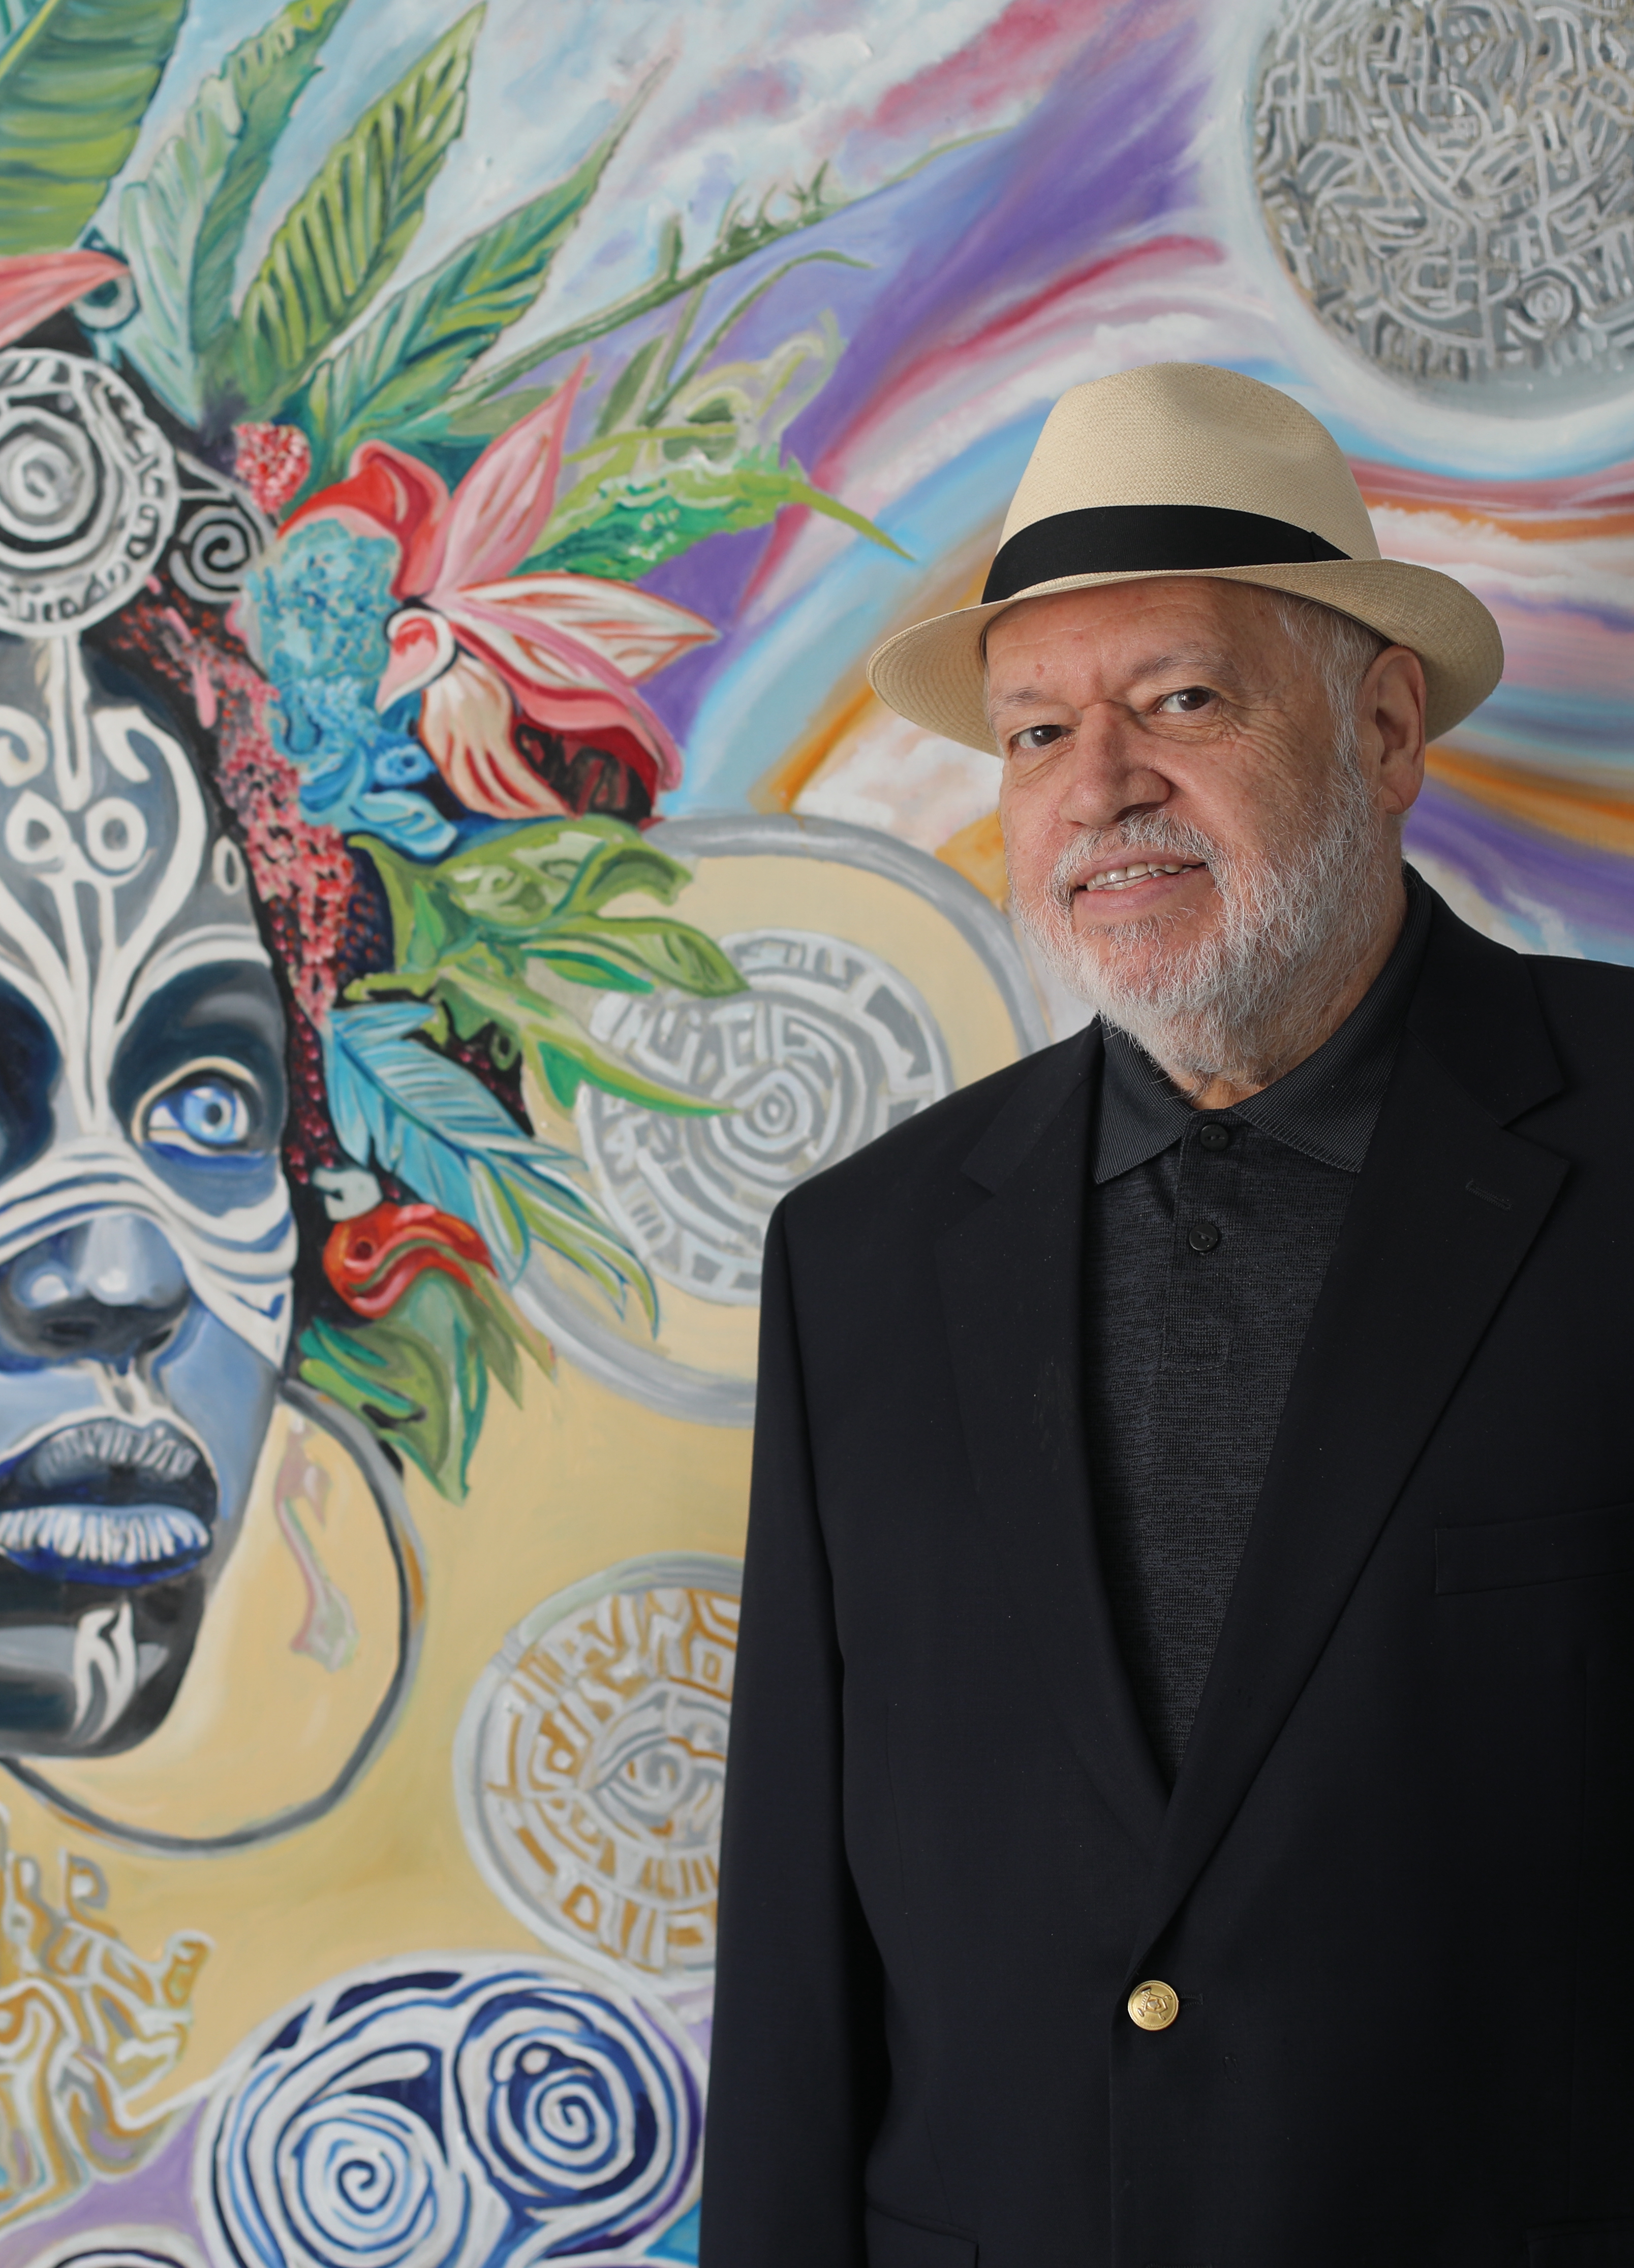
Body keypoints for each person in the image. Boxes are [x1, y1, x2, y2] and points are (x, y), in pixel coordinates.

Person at [701, 363, 1633, 2266]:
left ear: (1382, 726)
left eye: (1181, 702)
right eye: (1036, 732)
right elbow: (795, 1946)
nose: (1100, 785)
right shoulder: (857, 1258)